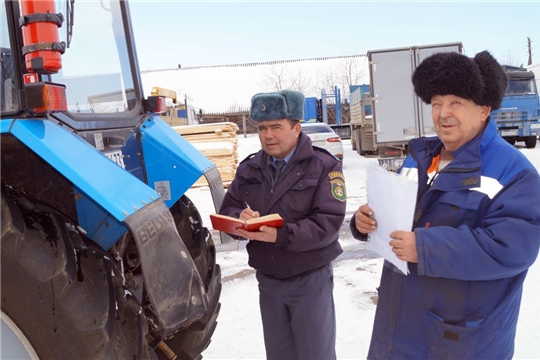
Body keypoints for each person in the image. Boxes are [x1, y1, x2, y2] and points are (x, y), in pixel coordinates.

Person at [350, 51, 540, 359]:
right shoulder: (418, 158)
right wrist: (365, 222)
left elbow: (511, 249)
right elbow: (397, 216)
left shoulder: (514, 173)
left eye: (456, 103)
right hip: (398, 328)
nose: (442, 113)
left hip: (459, 340)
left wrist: (424, 248)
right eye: (436, 103)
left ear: (483, 110)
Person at [219, 89, 347, 360]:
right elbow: (227, 208)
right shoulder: (249, 169)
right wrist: (239, 218)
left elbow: (328, 224)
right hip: (269, 282)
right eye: (263, 128)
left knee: (316, 355)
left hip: (309, 280)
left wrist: (280, 235)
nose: (268, 135)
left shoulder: (324, 166)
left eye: (276, 127)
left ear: (296, 128)